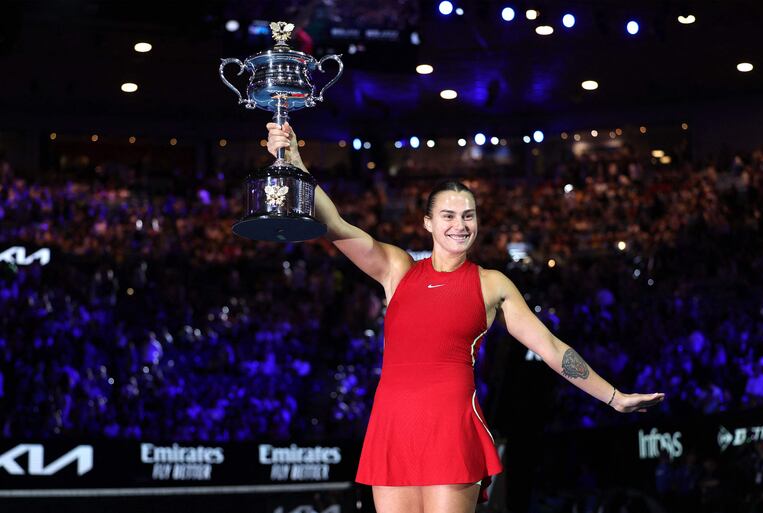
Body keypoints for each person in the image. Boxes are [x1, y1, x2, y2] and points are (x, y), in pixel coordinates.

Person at [266, 122, 666, 513]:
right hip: (393, 427)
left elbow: (551, 348)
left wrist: (614, 397)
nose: (460, 224)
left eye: (468, 215)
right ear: (427, 223)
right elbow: (333, 223)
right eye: (448, 215)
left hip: (452, 430)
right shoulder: (397, 269)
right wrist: (295, 162)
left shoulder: (492, 284)